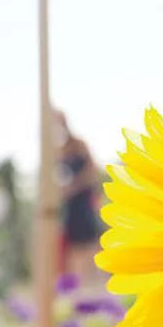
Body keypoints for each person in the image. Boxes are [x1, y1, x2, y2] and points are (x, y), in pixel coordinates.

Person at [54, 110, 102, 286]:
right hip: (70, 206)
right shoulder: (57, 151)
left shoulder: (79, 145)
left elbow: (92, 172)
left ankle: (93, 287)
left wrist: (73, 186)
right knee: (73, 249)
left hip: (83, 202)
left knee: (89, 245)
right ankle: (78, 290)